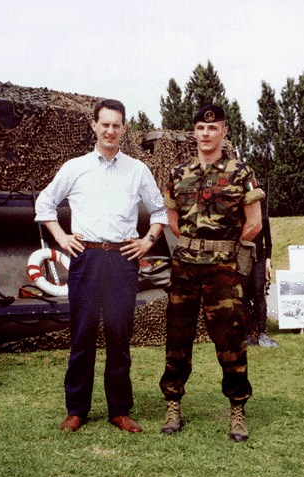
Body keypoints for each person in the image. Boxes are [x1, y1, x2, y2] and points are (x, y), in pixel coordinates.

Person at [35, 99, 167, 433]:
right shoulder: (75, 167)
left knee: (119, 336)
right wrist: (61, 238)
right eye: (104, 124)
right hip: (86, 258)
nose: (110, 130)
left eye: (116, 124)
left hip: (123, 259)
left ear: (124, 128)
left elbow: (160, 212)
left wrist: (147, 241)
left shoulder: (137, 170)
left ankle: (119, 410)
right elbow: (45, 203)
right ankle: (76, 409)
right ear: (93, 126)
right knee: (83, 335)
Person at [159, 104, 265, 442]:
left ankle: (237, 409)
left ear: (223, 132)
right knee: (177, 337)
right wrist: (194, 245)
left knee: (230, 339)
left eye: (213, 128)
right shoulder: (178, 174)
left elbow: (254, 223)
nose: (206, 134)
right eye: (201, 129)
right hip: (185, 268)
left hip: (222, 270)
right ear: (195, 132)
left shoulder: (241, 172)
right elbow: (171, 220)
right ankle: (173, 404)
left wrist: (226, 250)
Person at [240, 214, 280, 347]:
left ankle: (262, 332)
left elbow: (268, 243)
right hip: (243, 258)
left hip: (259, 259)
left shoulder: (263, 218)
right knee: (243, 295)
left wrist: (268, 263)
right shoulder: (239, 217)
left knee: (259, 294)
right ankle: (243, 333)